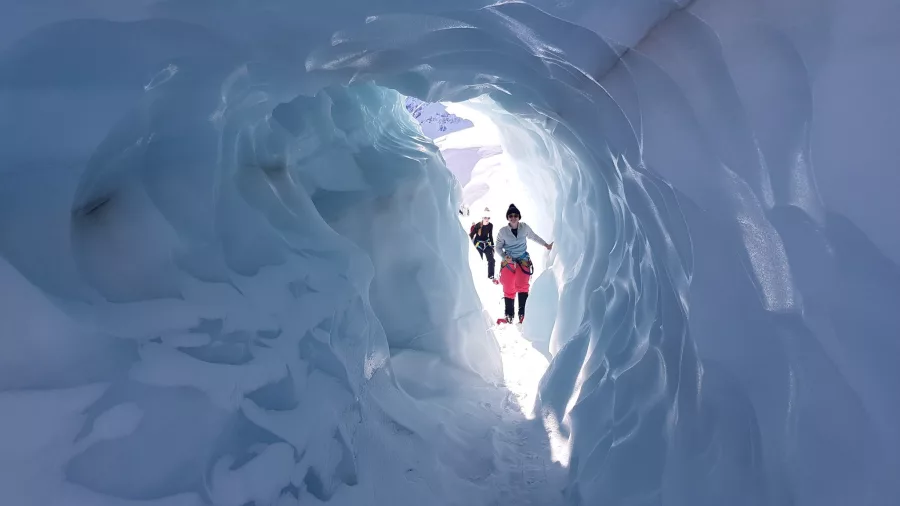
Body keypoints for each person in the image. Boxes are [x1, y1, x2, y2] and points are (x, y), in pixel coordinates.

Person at [494, 203, 553, 324]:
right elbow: (498, 247)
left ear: (519, 217)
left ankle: (523, 315)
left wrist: (546, 245)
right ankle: (509, 315)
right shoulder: (503, 232)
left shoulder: (524, 228)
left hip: (522, 260)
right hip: (508, 262)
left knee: (523, 286)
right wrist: (505, 257)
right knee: (508, 287)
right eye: (510, 215)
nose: (513, 217)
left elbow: (534, 237)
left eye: (515, 215)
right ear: (508, 218)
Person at [469, 208, 497, 282]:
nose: (487, 219)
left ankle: (491, 275)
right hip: (478, 243)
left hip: (486, 243)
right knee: (479, 259)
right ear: (482, 218)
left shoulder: (491, 225)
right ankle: (477, 277)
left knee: (491, 259)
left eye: (488, 218)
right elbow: (471, 235)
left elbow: (490, 236)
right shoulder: (478, 225)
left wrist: (493, 246)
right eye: (485, 217)